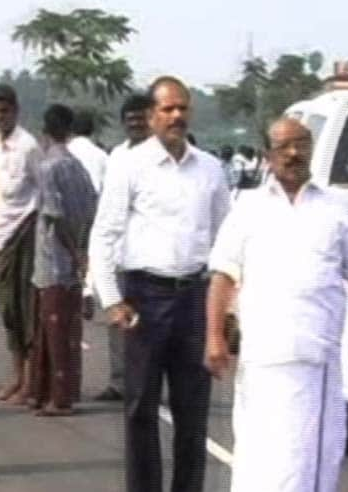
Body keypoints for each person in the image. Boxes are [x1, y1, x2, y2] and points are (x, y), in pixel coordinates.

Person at [206, 118, 348, 492]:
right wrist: (215, 337)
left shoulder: (336, 208)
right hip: (262, 358)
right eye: (284, 147)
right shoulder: (248, 209)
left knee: (313, 458)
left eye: (301, 144)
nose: (294, 153)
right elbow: (222, 276)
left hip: (317, 361)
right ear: (268, 155)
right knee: (260, 456)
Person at [89, 76, 230, 492]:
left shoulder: (210, 169)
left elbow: (227, 242)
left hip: (195, 299)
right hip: (144, 298)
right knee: (140, 409)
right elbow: (104, 234)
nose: (176, 116)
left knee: (193, 411)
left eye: (182, 108)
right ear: (151, 117)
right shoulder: (128, 166)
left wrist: (227, 310)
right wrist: (112, 300)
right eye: (167, 109)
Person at [30, 104, 97, 417]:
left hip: (54, 258)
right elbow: (90, 210)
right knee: (67, 330)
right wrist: (83, 249)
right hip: (73, 257)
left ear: (45, 131)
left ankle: (58, 396)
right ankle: (61, 391)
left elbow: (54, 218)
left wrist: (74, 251)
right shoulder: (78, 167)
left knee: (53, 329)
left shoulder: (49, 168)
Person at [0, 84, 43, 405]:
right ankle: (17, 376)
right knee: (7, 309)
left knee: (26, 309)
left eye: (4, 111)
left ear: (15, 111)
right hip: (1, 234)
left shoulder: (28, 146)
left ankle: (30, 381)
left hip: (26, 231)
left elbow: (43, 190)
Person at [92, 92, 152, 403]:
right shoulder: (117, 156)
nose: (136, 124)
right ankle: (119, 381)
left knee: (148, 326)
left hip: (149, 256)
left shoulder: (159, 158)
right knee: (118, 319)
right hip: (118, 251)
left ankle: (148, 384)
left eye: (141, 118)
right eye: (130, 120)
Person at [67, 109, 107, 194]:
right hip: (95, 202)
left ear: (71, 129)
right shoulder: (101, 155)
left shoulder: (65, 152)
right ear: (92, 130)